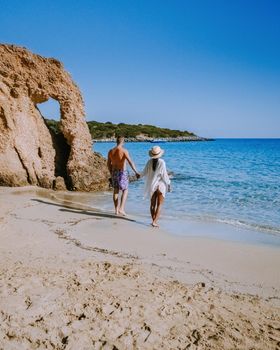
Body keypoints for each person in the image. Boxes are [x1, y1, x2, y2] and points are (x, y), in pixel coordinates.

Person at [107, 136, 140, 216]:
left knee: (116, 191)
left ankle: (116, 210)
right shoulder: (124, 151)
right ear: (123, 142)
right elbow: (130, 162)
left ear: (116, 141)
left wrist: (111, 172)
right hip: (122, 172)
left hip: (114, 171)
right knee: (125, 190)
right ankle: (121, 208)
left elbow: (108, 164)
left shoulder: (111, 151)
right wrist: (136, 172)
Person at [141, 145, 171, 228]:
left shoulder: (149, 162)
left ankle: (153, 220)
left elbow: (143, 173)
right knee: (159, 205)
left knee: (152, 205)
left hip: (152, 185)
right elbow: (164, 176)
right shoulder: (162, 162)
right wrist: (169, 183)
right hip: (161, 186)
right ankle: (154, 222)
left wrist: (137, 175)